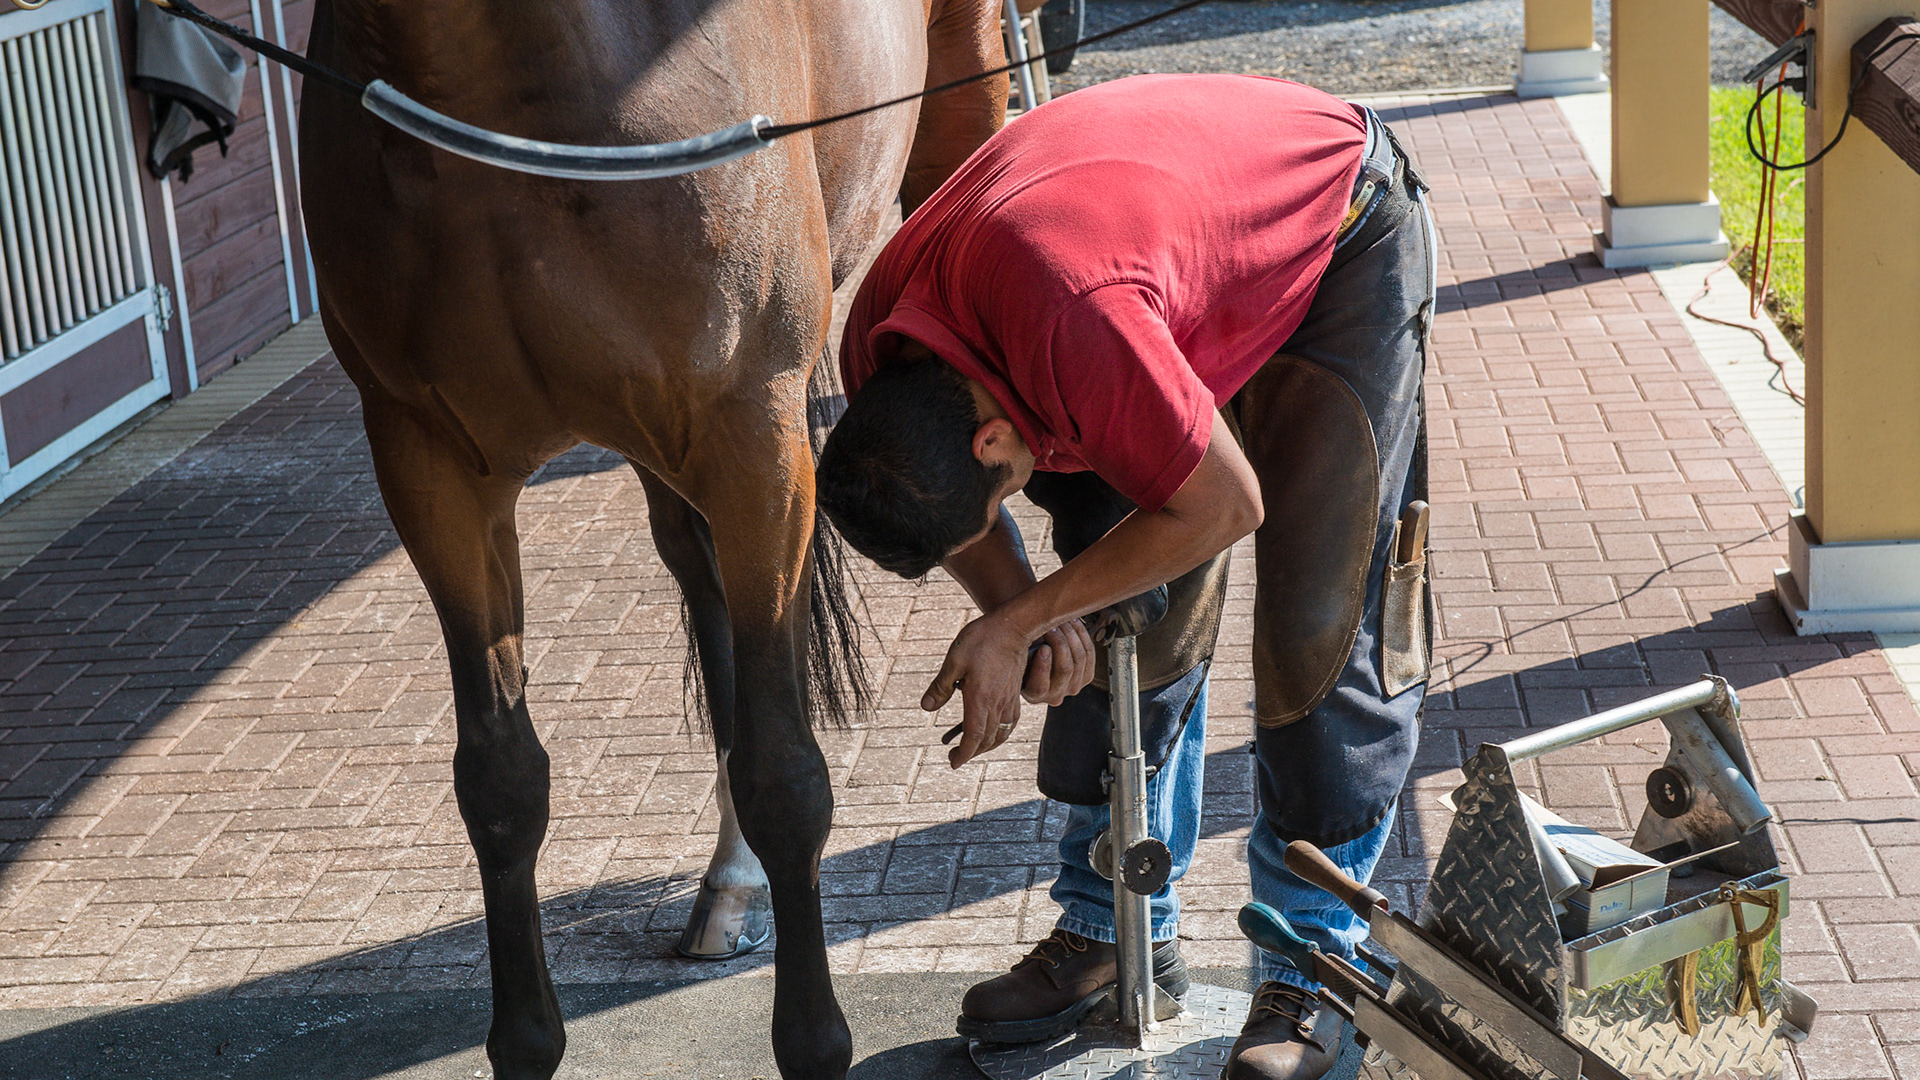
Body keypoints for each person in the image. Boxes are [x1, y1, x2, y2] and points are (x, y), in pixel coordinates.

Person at [816, 72, 1434, 1080]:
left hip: (1340, 232)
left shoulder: (1077, 325)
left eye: (1003, 486)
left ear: (988, 442)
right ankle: (1111, 925)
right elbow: (972, 525)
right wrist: (1028, 615)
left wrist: (1020, 620)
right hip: (1134, 268)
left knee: (1318, 614)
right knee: (1122, 618)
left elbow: (1227, 506)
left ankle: (1316, 959)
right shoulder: (887, 350)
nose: (1007, 503)